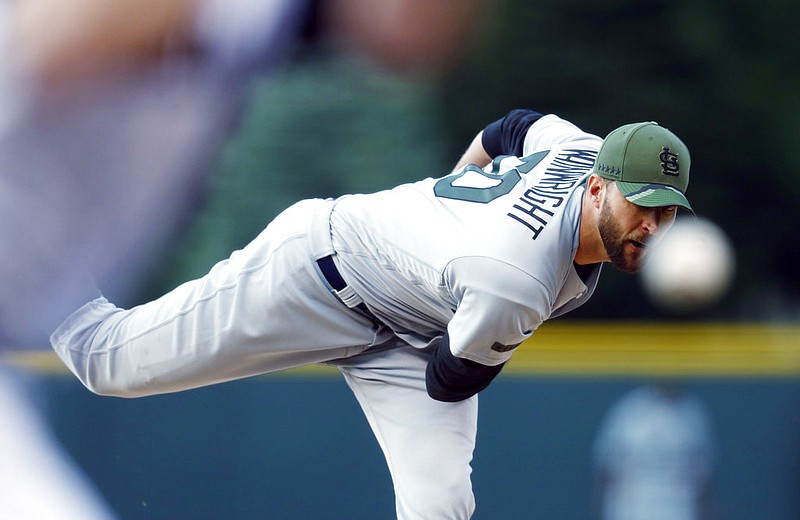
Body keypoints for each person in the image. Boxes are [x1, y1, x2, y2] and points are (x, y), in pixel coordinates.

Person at [51, 108, 693, 519]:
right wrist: (462, 249)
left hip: (416, 319)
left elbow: (512, 127)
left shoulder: (578, 149)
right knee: (109, 364)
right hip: (317, 274)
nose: (652, 226)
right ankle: (33, 256)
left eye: (665, 211)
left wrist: (449, 213)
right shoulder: (515, 278)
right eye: (641, 205)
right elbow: (448, 379)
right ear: (599, 185)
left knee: (440, 507)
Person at [592, 383, 716, 520]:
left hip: (678, 510)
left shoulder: (692, 412)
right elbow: (606, 471)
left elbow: (703, 478)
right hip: (632, 510)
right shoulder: (629, 408)